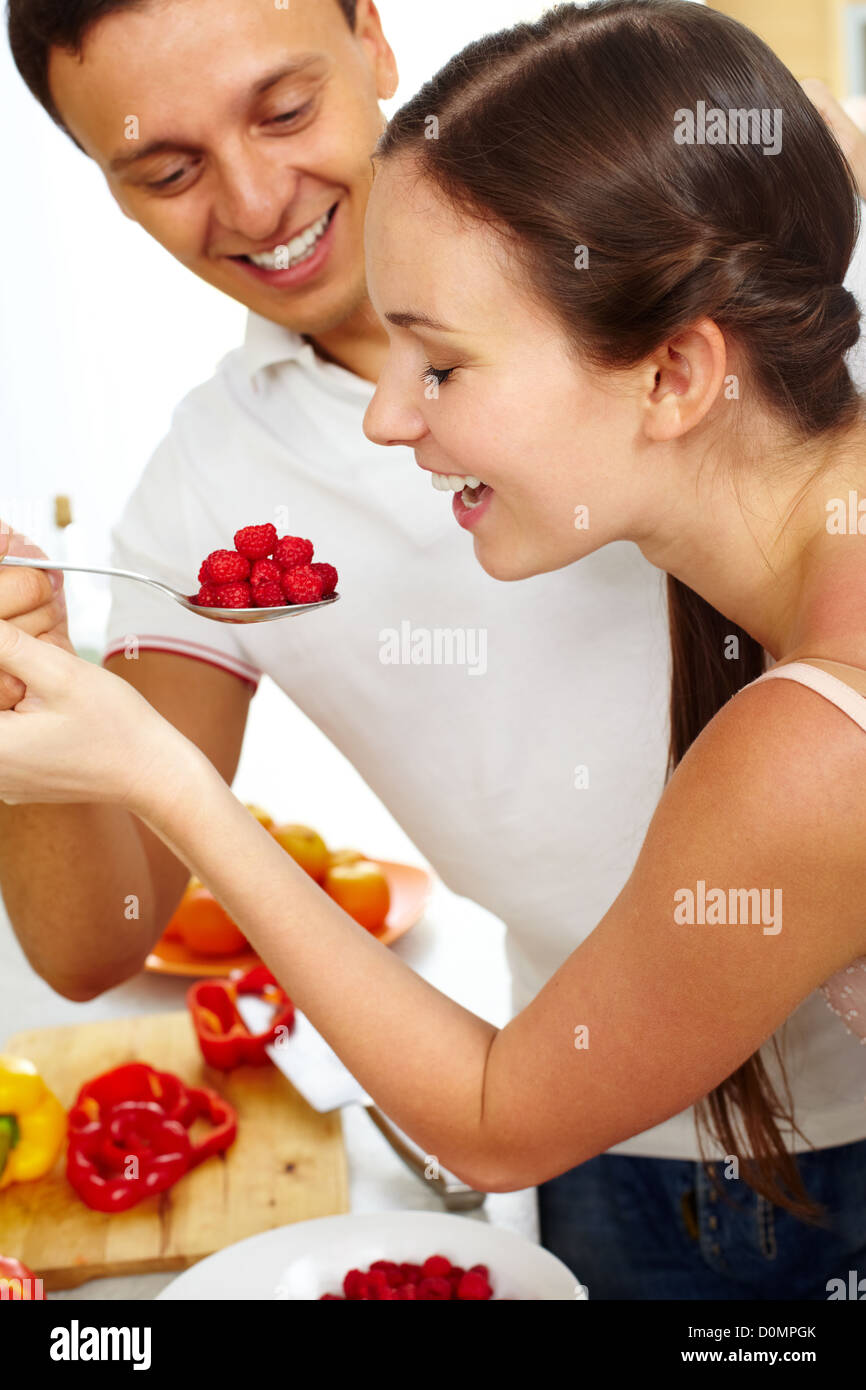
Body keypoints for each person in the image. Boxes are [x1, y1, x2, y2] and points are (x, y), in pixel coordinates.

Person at [1, 0, 865, 1300]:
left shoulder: (806, 725)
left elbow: (489, 1110)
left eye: (282, 108)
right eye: (165, 168)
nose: (248, 196)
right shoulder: (211, 482)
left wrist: (171, 784)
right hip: (613, 1128)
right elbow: (93, 935)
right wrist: (33, 704)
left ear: (371, 37)